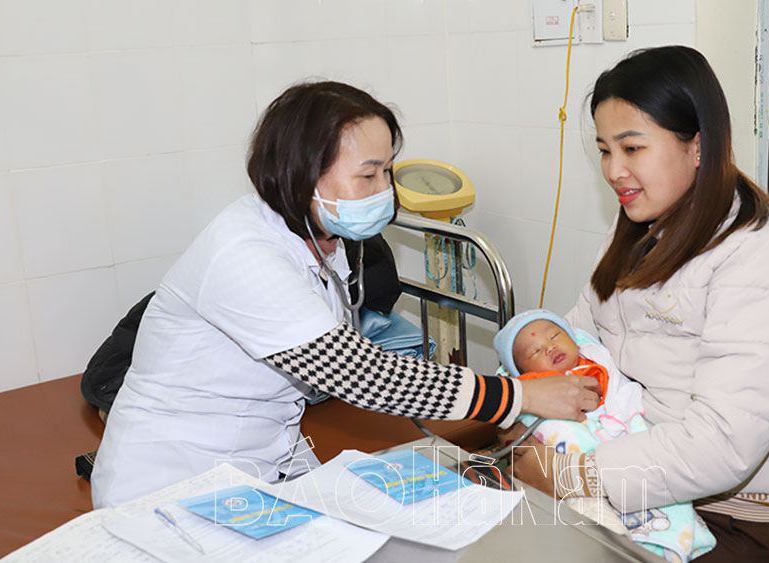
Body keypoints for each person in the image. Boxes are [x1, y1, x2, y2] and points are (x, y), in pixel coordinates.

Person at [90, 81, 600, 508]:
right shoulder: (244, 252)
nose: (385, 190)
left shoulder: (324, 239)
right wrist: (517, 396)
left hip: (262, 463)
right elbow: (361, 374)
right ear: (304, 174)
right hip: (173, 482)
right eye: (368, 175)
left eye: (388, 171)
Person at [507, 47, 769, 562]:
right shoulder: (639, 230)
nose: (614, 171)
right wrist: (520, 409)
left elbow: (722, 445)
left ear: (697, 145)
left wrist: (573, 475)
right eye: (605, 151)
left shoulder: (768, 259)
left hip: (727, 519)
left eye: (632, 148)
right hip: (622, 479)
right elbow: (578, 340)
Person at [495, 309, 716, 563]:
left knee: (656, 489)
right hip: (566, 452)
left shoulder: (599, 363)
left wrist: (619, 423)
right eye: (535, 352)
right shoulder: (529, 387)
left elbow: (627, 397)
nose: (549, 347)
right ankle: (603, 527)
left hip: (620, 451)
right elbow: (514, 416)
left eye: (555, 336)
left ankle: (659, 537)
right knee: (572, 492)